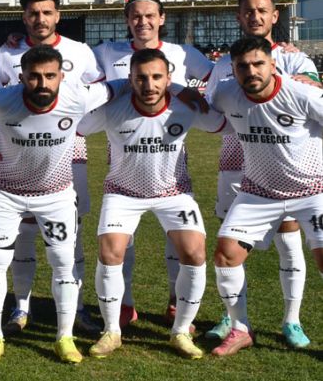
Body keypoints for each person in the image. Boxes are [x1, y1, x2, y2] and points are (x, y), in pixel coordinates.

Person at [78, 48, 226, 360]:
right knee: (110, 252)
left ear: (169, 79)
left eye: (157, 77)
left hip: (174, 193)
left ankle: (181, 331)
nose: (149, 84)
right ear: (130, 80)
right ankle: (111, 331)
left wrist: (188, 93)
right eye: (141, 78)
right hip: (122, 193)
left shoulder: (186, 106)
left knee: (195, 252)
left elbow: (222, 124)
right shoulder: (113, 108)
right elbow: (74, 125)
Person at [204, 0, 322, 347]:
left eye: (262, 10)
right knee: (228, 250)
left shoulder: (295, 61)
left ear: (274, 15)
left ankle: (292, 320)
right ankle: (235, 321)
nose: (255, 16)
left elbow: (313, 91)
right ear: (239, 16)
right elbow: (209, 109)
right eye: (248, 11)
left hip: (303, 178)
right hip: (244, 169)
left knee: (291, 240)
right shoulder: (223, 71)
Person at [91, 0, 214, 329]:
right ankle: (125, 302)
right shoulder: (106, 52)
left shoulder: (183, 53)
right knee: (122, 240)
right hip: (123, 152)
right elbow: (70, 70)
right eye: (135, 16)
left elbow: (219, 77)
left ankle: (176, 300)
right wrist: (18, 42)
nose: (142, 22)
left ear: (162, 18)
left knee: (179, 240)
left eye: (149, 16)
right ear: (127, 20)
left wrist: (183, 90)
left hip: (169, 156)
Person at [0, 0, 103, 335]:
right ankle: (20, 307)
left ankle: (77, 309)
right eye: (33, 13)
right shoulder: (6, 53)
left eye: (46, 12)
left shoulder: (80, 51)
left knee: (72, 235)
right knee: (22, 233)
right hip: (17, 156)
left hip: (68, 153)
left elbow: (99, 93)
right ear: (23, 17)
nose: (40, 19)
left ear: (58, 15)